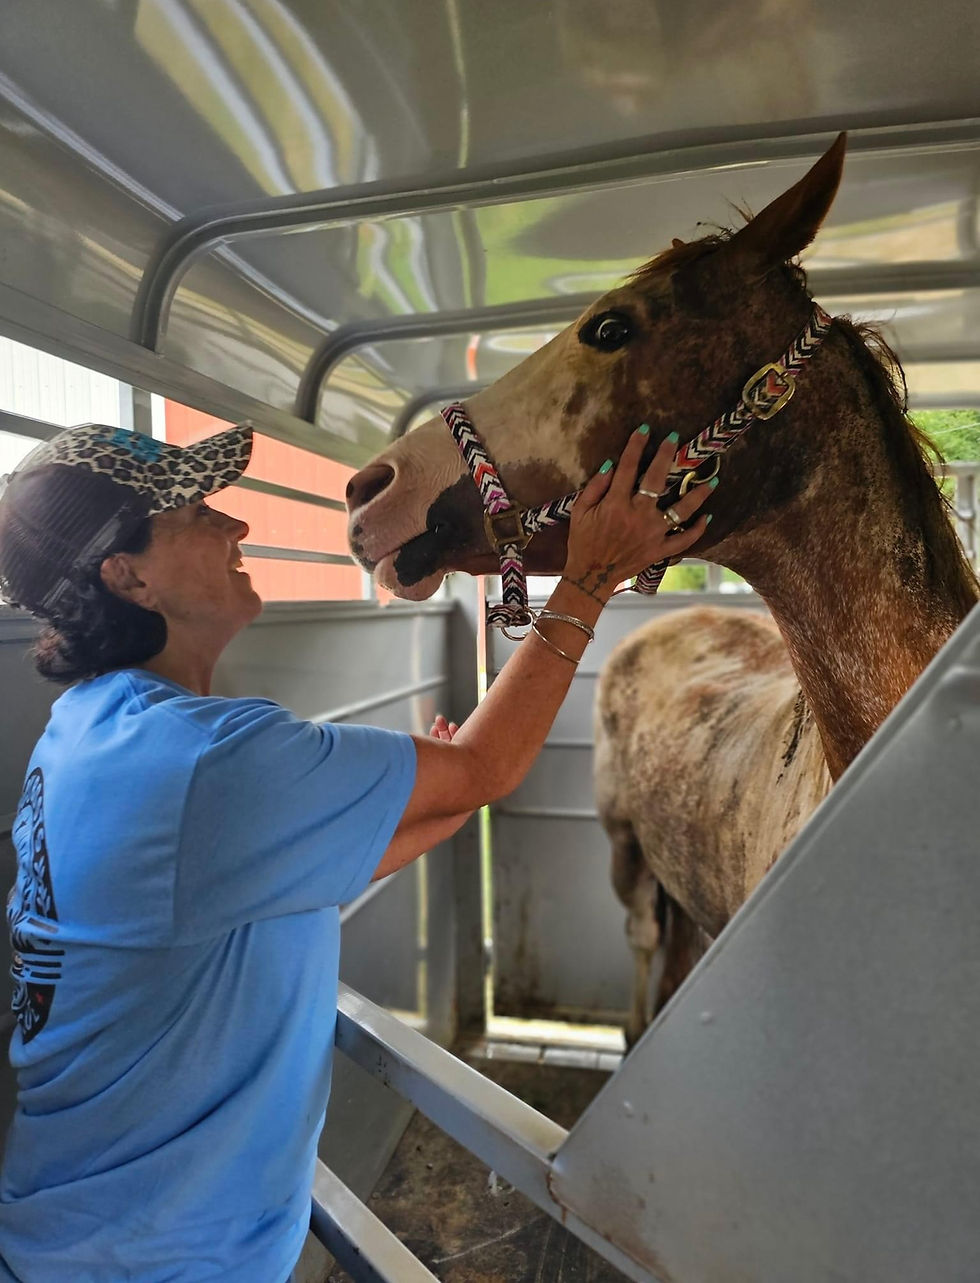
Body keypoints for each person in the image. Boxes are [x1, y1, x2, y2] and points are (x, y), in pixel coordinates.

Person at [0, 419, 710, 1282]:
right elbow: (489, 767)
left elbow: (276, 888)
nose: (237, 526)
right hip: (159, 1262)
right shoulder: (203, 764)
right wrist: (590, 578)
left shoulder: (91, 735)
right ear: (127, 575)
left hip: (80, 1238)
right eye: (194, 511)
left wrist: (431, 792)